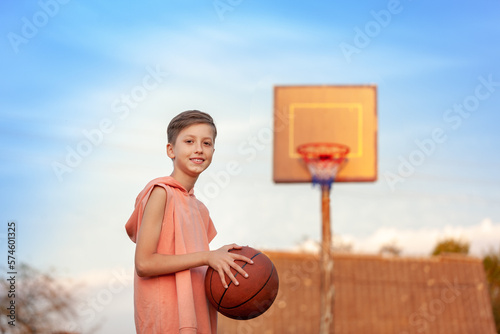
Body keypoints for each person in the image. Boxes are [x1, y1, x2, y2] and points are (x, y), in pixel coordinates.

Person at [125, 110, 253, 333]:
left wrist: (218, 259)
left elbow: (194, 263)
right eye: (189, 141)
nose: (198, 149)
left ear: (213, 150)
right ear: (170, 150)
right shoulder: (161, 193)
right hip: (165, 318)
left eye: (206, 143)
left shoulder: (200, 209)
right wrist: (206, 256)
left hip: (197, 315)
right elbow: (144, 264)